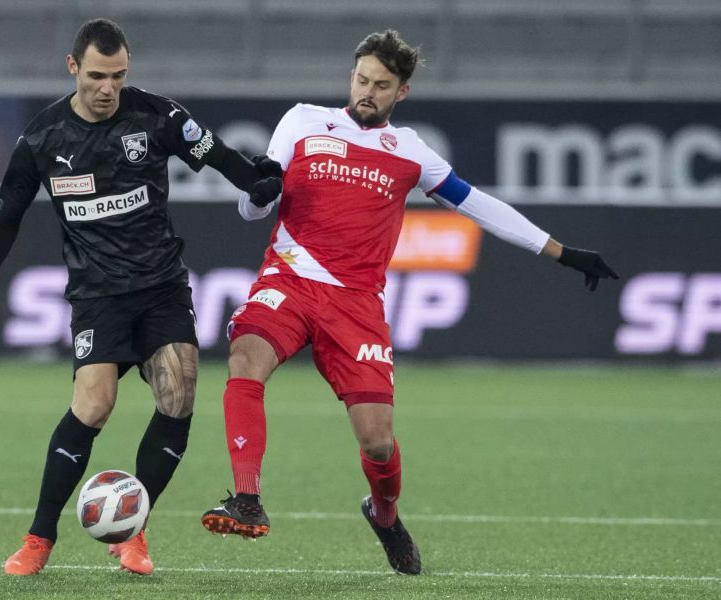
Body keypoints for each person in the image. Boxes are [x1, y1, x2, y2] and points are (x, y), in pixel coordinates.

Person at [200, 30, 619, 575]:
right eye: (361, 79)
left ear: (402, 92)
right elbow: (255, 205)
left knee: (377, 443)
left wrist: (561, 252)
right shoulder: (301, 121)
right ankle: (246, 498)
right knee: (245, 359)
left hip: (356, 304)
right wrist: (255, 194)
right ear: (351, 75)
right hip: (290, 281)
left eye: (381, 85)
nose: (366, 92)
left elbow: (480, 206)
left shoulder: (411, 152)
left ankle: (384, 514)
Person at [0, 18, 281, 577]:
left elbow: (215, 152)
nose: (108, 88)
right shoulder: (42, 138)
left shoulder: (155, 114)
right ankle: (39, 537)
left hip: (161, 288)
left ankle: (134, 531)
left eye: (119, 76)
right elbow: (4, 222)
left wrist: (255, 181)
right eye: (98, 76)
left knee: (178, 395)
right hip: (98, 296)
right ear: (73, 66)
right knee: (95, 404)